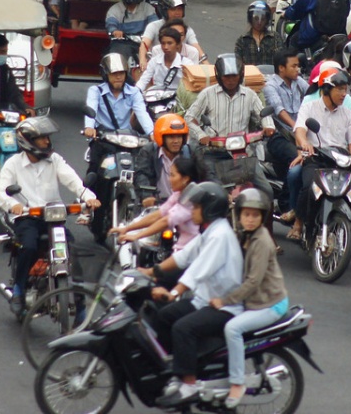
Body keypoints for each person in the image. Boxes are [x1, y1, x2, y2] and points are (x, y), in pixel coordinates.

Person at [143, 182, 243, 407]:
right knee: (163, 316)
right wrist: (150, 272)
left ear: (209, 209)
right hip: (204, 300)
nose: (192, 211)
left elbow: (198, 270)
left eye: (196, 207)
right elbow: (184, 256)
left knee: (183, 327)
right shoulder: (209, 231)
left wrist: (174, 292)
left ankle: (188, 384)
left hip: (224, 306)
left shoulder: (220, 236)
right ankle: (176, 371)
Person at [0, 116, 99, 315]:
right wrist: (13, 205)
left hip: (52, 218)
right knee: (29, 246)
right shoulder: (13, 163)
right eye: (41, 138)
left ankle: (81, 306)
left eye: (47, 137)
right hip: (27, 217)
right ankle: (18, 289)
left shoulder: (55, 160)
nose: (46, 141)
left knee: (73, 252)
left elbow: (74, 181)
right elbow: (0, 192)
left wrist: (88, 197)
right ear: (28, 141)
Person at [211, 189, 289, 409]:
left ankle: (237, 383)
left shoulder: (262, 241)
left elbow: (253, 281)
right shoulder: (245, 235)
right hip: (256, 300)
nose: (250, 219)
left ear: (262, 217)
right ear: (239, 215)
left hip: (270, 304)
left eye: (255, 215)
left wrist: (225, 300)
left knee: (232, 329)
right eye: (246, 214)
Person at [288, 67, 351, 240]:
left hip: (340, 161)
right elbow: (300, 131)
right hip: (316, 159)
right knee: (309, 188)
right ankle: (298, 223)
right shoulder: (309, 108)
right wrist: (305, 143)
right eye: (340, 89)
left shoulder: (348, 114)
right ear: (327, 90)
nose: (344, 94)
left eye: (345, 89)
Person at [184, 55, 276, 195]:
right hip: (214, 153)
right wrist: (201, 135)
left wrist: (268, 127)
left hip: (243, 154)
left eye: (234, 76)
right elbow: (189, 118)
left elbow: (263, 114)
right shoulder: (207, 94)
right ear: (219, 76)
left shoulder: (250, 95)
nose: (231, 80)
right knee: (214, 192)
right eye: (226, 77)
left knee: (266, 191)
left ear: (241, 75)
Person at [84, 54, 154, 235]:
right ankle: (86, 205)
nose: (118, 77)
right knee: (94, 171)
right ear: (105, 74)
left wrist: (153, 133)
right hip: (103, 140)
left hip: (128, 140)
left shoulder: (134, 92)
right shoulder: (95, 91)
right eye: (114, 74)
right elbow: (91, 110)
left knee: (143, 169)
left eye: (121, 73)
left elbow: (142, 114)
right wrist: (89, 128)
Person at [114, 156, 203, 250]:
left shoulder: (191, 200)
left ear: (185, 179)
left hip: (191, 250)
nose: (169, 179)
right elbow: (158, 214)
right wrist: (127, 229)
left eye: (172, 175)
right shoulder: (177, 195)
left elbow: (165, 221)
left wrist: (136, 236)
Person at [263, 47, 306, 215]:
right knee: (297, 159)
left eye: (298, 66)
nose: (298, 69)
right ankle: (286, 204)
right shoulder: (271, 86)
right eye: (294, 66)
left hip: (300, 135)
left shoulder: (299, 82)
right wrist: (296, 127)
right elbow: (279, 110)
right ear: (281, 68)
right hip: (279, 136)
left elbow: (313, 94)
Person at [133, 114, 192, 207]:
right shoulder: (149, 151)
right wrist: (147, 196)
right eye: (171, 137)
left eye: (179, 136)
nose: (176, 141)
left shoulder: (191, 152)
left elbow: (206, 175)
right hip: (156, 204)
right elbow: (141, 175)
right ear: (161, 138)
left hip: (185, 205)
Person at [140, 0, 204, 70]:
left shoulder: (187, 30)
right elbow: (144, 45)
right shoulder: (153, 27)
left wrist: (208, 67)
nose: (177, 13)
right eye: (173, 9)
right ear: (164, 11)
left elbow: (197, 48)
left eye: (179, 9)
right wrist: (142, 60)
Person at [137, 27, 193, 91]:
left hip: (178, 95)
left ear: (177, 45)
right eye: (163, 43)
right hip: (157, 93)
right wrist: (136, 91)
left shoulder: (187, 64)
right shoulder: (154, 61)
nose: (166, 47)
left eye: (169, 43)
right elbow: (143, 80)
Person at [234, 1, 284, 66]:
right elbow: (237, 62)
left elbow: (280, 59)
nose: (259, 22)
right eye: (256, 19)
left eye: (262, 19)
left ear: (267, 20)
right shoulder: (242, 40)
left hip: (270, 72)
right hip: (250, 72)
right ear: (250, 19)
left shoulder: (275, 38)